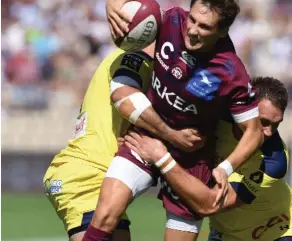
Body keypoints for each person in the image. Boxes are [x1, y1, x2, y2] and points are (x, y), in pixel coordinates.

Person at [83, 0, 263, 241]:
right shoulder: (171, 19)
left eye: (204, 27)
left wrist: (224, 168)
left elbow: (254, 133)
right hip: (147, 138)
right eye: (193, 19)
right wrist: (112, 4)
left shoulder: (231, 71)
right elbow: (130, 9)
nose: (192, 30)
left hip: (190, 157)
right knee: (104, 216)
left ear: (222, 31)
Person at [43, 42, 204, 241]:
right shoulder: (135, 58)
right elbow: (123, 97)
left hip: (96, 175)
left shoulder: (147, 68)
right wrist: (171, 135)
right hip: (85, 175)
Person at [123, 77, 292, 241]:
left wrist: (161, 157)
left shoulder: (274, 160)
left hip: (275, 230)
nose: (269, 132)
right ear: (247, 108)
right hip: (226, 234)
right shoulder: (217, 117)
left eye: (276, 124)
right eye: (264, 121)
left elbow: (209, 205)